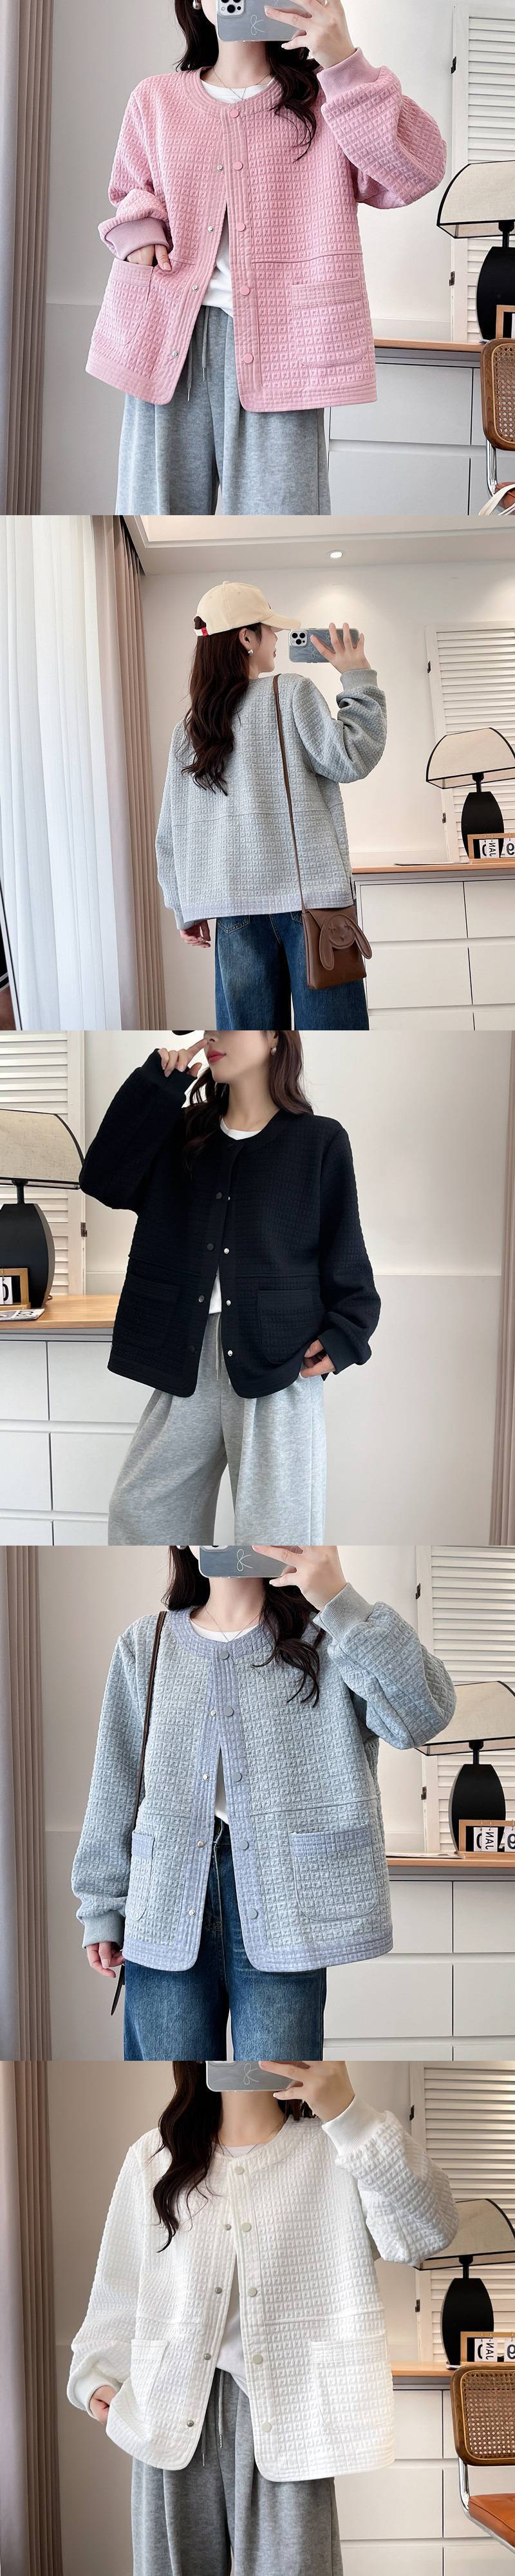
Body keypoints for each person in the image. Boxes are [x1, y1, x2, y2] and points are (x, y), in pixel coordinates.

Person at [68, 2058, 458, 2576]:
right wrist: (98, 2375)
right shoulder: (154, 2156)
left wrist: (347, 2112)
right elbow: (120, 2286)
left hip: (292, 2409)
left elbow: (429, 2232)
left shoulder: (335, 2148)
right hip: (170, 2407)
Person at [71, 1542, 455, 2059]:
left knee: (277, 2085)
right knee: (178, 2080)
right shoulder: (147, 1644)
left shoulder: (327, 1637)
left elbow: (424, 1716)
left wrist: (339, 1599)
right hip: (163, 1900)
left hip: (286, 1902)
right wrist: (102, 1907)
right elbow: (115, 1783)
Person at [85, 2, 446, 517]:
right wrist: (140, 233)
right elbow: (130, 188)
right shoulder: (156, 98)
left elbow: (416, 172)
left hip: (287, 343)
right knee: (155, 515)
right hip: (169, 333)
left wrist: (344, 62)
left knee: (281, 518)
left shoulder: (328, 100)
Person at [78, 1031, 380, 1543]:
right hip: (185, 1354)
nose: (212, 1035)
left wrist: (347, 1335)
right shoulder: (183, 1132)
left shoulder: (319, 1140)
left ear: (275, 1038)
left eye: (230, 1026)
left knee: (277, 1536)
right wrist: (157, 1087)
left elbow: (344, 1247)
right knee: (140, 1514)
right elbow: (103, 1179)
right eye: (205, 1027)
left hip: (279, 1359)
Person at [156, 582, 386, 1028]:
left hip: (233, 913)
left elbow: (172, 832)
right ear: (247, 637)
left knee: (252, 1044)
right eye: (271, 629)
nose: (278, 638)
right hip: (314, 908)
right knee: (335, 1037)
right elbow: (353, 756)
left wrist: (184, 907)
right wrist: (357, 675)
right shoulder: (291, 692)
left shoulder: (191, 730)